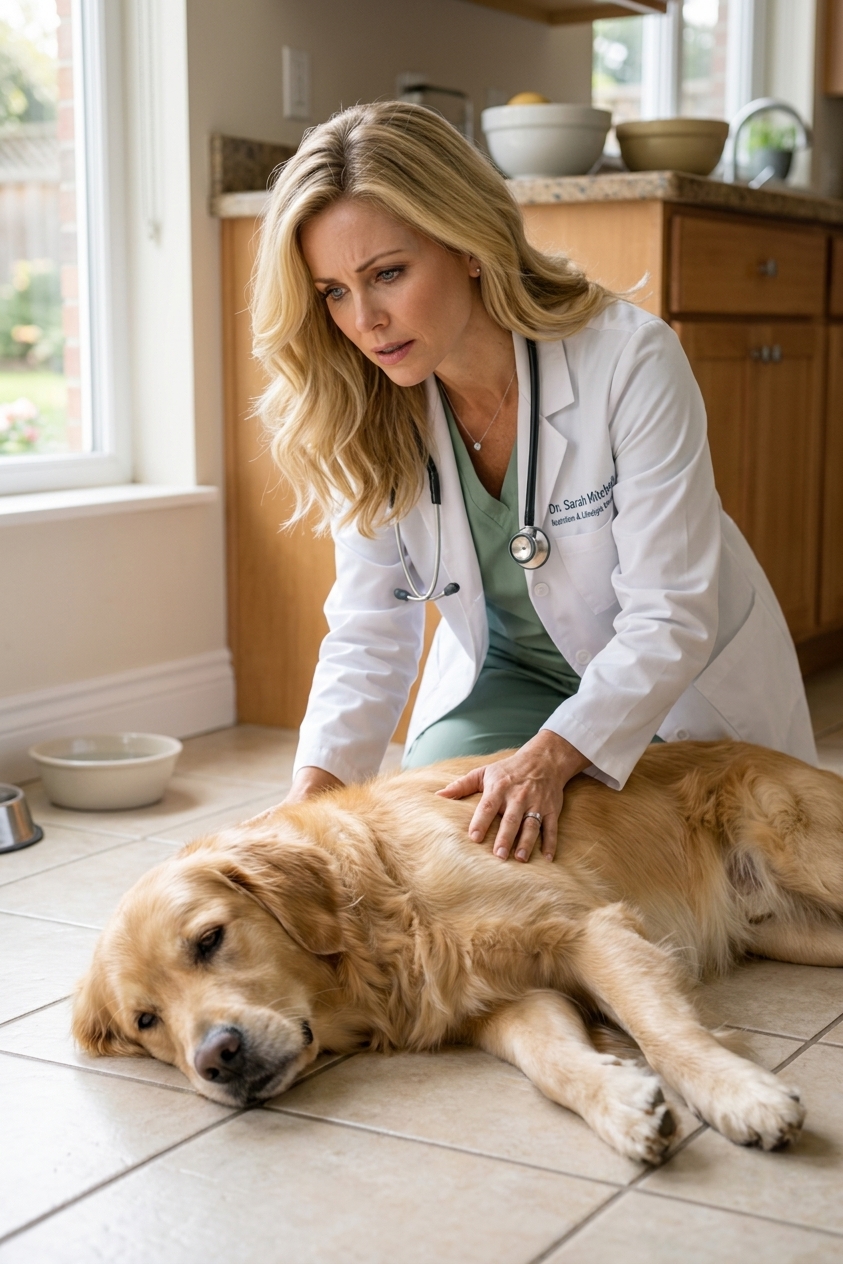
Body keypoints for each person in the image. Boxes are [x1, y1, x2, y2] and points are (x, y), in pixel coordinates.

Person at [251, 101, 816, 866]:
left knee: (645, 863)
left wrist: (550, 760)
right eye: (333, 292)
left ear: (469, 245)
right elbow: (368, 631)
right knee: (453, 849)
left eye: (386, 274)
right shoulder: (369, 406)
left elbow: (671, 614)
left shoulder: (628, 361)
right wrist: (310, 795)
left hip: (668, 685)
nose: (365, 322)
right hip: (505, 678)